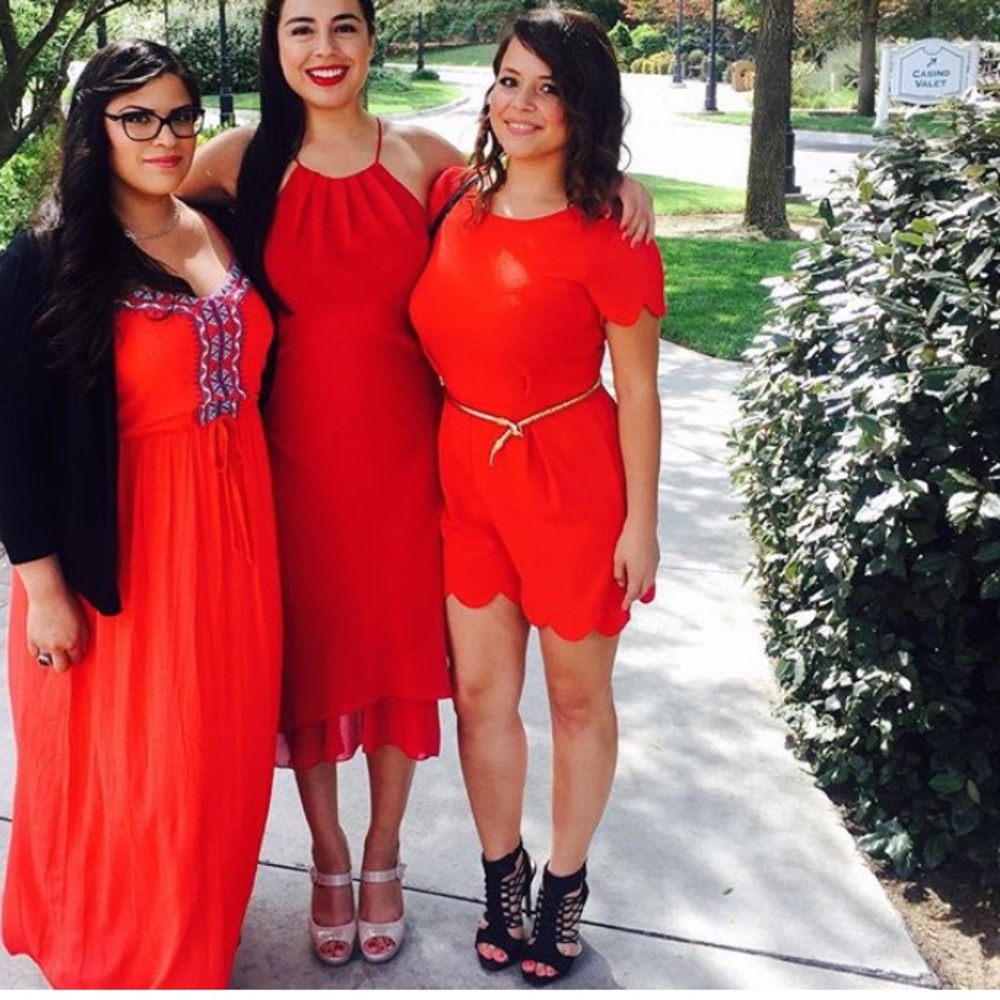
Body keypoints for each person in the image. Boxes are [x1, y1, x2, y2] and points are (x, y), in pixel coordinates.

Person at [179, 0, 654, 966]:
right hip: (301, 456)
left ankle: (415, 858)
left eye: (343, 26)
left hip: (420, 457)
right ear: (276, 45)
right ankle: (336, 859)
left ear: (372, 40)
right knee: (328, 662)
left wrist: (620, 180)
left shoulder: (427, 164)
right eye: (300, 28)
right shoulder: (240, 159)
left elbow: (545, 196)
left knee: (416, 659)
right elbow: (132, 201)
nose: (323, 48)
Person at [0, 40, 282, 988]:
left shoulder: (215, 224)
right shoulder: (48, 258)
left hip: (237, 540)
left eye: (181, 116)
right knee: (131, 775)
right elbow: (13, 436)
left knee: (213, 764)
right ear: (96, 129)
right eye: (138, 118)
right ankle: (120, 958)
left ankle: (194, 938)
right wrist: (42, 588)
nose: (166, 137)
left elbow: (357, 150)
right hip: (124, 548)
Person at [409, 7, 665, 986]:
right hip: (465, 474)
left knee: (573, 696)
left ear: (584, 106)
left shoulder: (613, 230)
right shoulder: (449, 198)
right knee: (481, 696)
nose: (521, 102)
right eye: (508, 79)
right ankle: (499, 877)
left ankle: (563, 883)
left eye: (549, 87)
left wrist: (642, 522)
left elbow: (637, 388)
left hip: (573, 481)